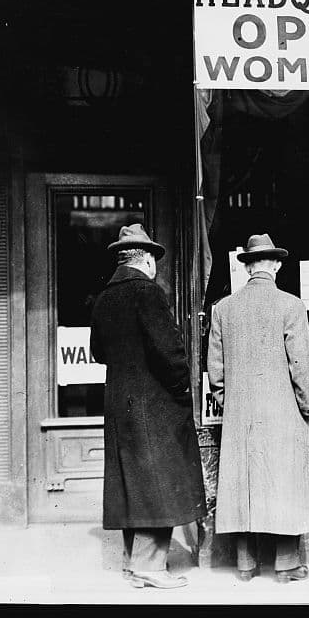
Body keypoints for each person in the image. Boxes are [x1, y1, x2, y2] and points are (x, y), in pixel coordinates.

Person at [89, 224, 206, 589]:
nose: (156, 266)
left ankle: (132, 564)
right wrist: (181, 388)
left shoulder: (105, 297)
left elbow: (98, 352)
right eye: (154, 259)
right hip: (154, 406)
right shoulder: (148, 292)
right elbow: (170, 354)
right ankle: (149, 567)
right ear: (147, 260)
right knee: (159, 484)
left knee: (131, 485)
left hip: (119, 404)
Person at [207, 233, 309, 585]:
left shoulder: (223, 308)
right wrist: (306, 405)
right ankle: (286, 565)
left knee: (243, 485)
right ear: (277, 265)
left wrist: (231, 402)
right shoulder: (291, 306)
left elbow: (215, 371)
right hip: (282, 411)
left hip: (240, 413)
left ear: (248, 267)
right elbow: (302, 365)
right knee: (283, 483)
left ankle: (245, 564)